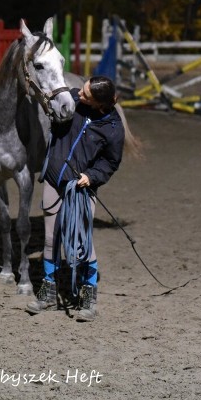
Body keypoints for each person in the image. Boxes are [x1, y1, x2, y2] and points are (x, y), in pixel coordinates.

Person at [26, 75, 139, 322]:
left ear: (100, 103)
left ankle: (88, 295)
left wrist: (92, 176)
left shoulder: (113, 128)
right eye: (83, 88)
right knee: (49, 238)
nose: (79, 94)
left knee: (82, 243)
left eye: (85, 94)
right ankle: (48, 292)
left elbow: (110, 162)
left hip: (80, 188)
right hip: (56, 179)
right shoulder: (73, 101)